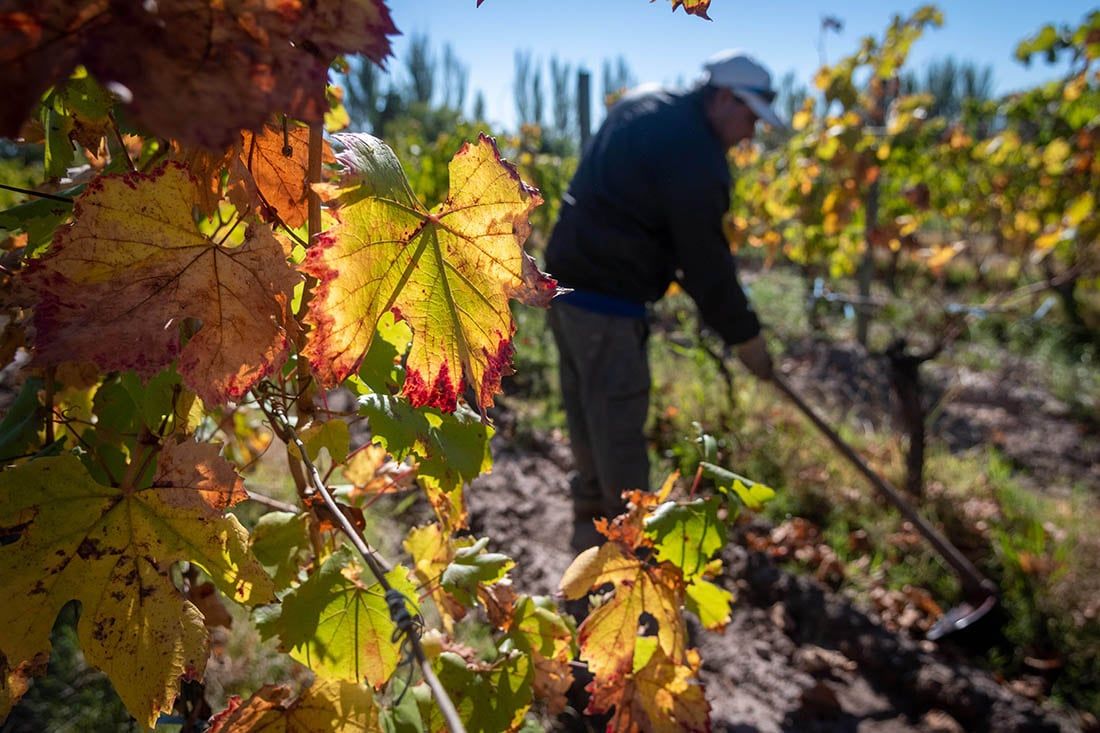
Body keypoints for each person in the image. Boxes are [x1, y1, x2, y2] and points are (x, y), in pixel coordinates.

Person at [545, 50, 782, 551]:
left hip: (564, 282)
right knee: (618, 427)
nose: (751, 134)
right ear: (724, 97)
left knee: (586, 411)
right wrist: (746, 338)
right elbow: (704, 262)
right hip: (607, 299)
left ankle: (590, 527)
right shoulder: (695, 153)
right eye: (750, 119)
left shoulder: (646, 102)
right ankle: (633, 552)